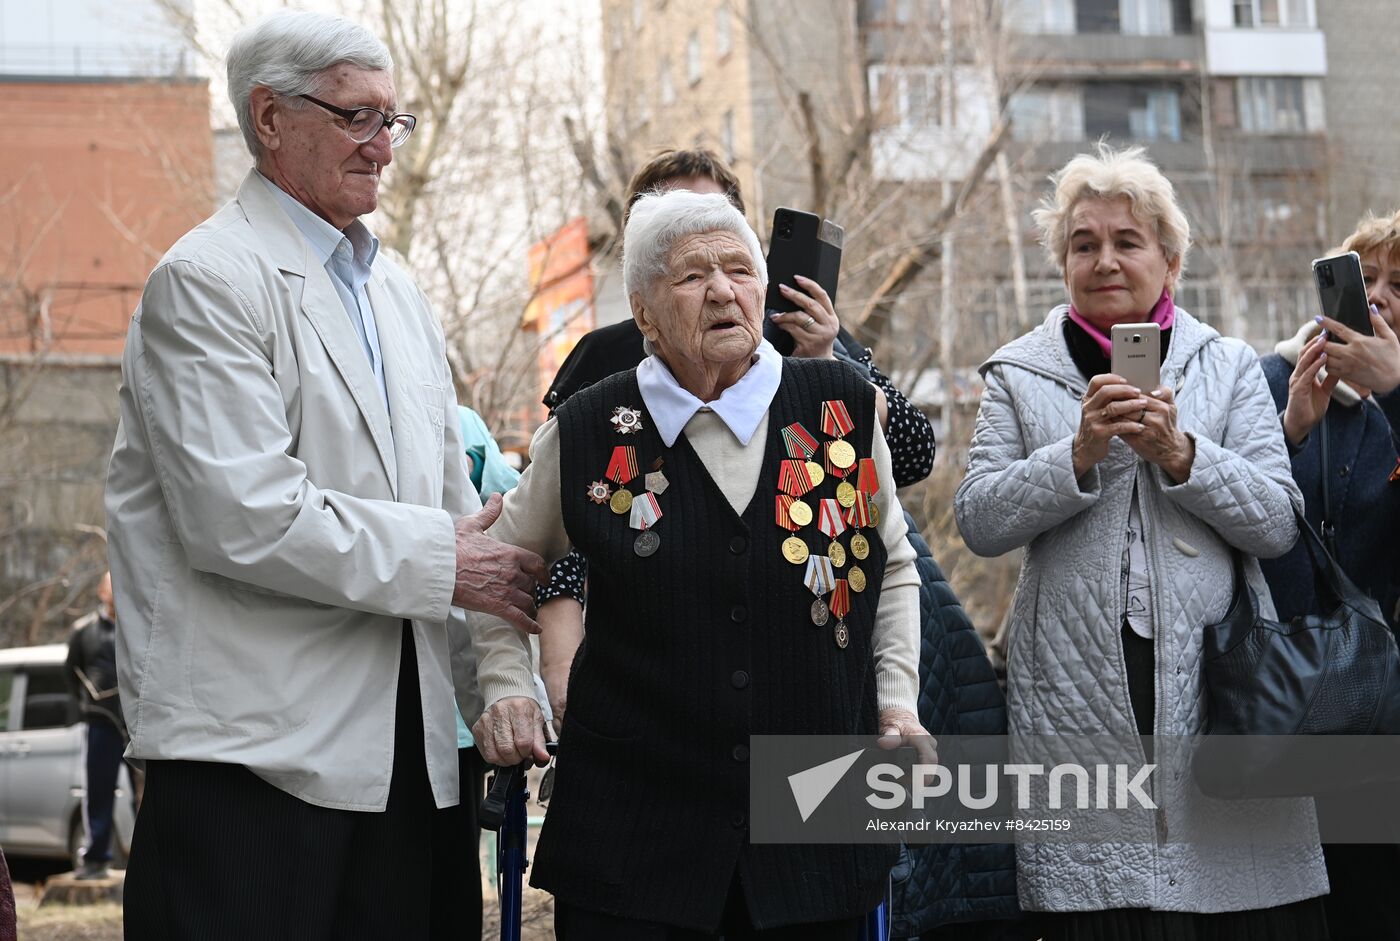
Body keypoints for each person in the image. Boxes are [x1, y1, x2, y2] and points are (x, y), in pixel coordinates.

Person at [103, 11, 547, 940]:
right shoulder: (207, 280)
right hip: (251, 773)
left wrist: (504, 680)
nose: (384, 146)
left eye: (394, 120)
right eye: (357, 118)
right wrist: (447, 563)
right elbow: (242, 513)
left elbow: (466, 521)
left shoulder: (400, 292)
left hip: (410, 773)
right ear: (269, 118)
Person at [470, 189, 931, 938]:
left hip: (816, 819)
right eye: (691, 277)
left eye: (740, 269)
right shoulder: (590, 426)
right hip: (634, 832)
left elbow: (894, 563)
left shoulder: (839, 405)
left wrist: (896, 702)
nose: (723, 290)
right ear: (643, 313)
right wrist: (506, 686)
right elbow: (496, 568)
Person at [954, 144, 1328, 939]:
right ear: (1062, 262)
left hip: (1221, 682)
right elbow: (979, 520)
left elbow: (1277, 523)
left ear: (1171, 257)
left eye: (1127, 240)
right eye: (1083, 243)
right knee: (1105, 909)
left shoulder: (1225, 366)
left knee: (1230, 906)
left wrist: (1184, 454)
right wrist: (1075, 456)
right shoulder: (1020, 374)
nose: (1105, 259)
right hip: (1073, 689)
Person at [1259, 208, 1400, 939]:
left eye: (1398, 284)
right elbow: (1244, 531)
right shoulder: (1272, 377)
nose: (1376, 296)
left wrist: (1397, 389)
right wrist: (1292, 430)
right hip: (1285, 697)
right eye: (1363, 278)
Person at [64, 572, 125, 880]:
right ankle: (95, 857)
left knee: (149, 792)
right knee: (98, 789)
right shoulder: (84, 630)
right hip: (101, 721)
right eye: (112, 585)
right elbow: (71, 673)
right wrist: (89, 704)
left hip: (136, 722)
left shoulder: (136, 627)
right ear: (102, 591)